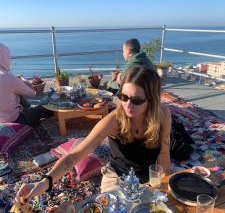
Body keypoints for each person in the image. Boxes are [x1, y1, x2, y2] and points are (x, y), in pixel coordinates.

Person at [16, 66, 171, 200]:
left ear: (151, 100)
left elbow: (164, 154)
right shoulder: (113, 121)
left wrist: (160, 187)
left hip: (152, 175)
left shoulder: (162, 114)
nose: (127, 105)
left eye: (136, 100)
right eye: (123, 97)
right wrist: (45, 182)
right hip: (118, 177)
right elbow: (74, 156)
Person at [0, 43, 51, 126]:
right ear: (4, 57)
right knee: (43, 109)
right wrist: (23, 79)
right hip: (15, 121)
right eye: (8, 56)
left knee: (17, 96)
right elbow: (32, 94)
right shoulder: (8, 78)